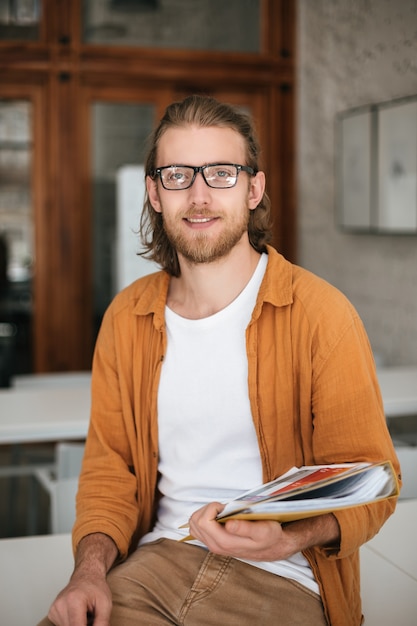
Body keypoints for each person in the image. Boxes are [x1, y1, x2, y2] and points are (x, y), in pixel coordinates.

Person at [38, 94, 400, 626]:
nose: (200, 195)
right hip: (154, 565)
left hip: (286, 577)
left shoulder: (321, 314)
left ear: (254, 189)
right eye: (178, 175)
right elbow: (109, 473)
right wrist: (89, 572)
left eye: (222, 174)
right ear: (155, 194)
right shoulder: (127, 317)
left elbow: (372, 481)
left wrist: (288, 538)